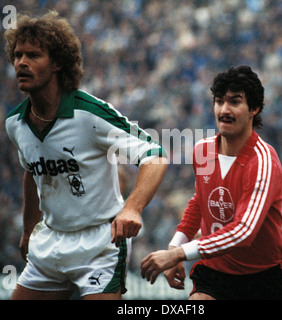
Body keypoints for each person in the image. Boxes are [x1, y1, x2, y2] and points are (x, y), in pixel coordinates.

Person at [4, 11, 168, 300]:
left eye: (33, 55)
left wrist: (132, 208)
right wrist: (29, 230)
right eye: (18, 55)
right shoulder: (15, 123)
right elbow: (31, 171)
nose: (21, 63)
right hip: (50, 242)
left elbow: (155, 155)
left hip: (100, 245)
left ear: (56, 63)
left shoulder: (90, 114)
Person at [141, 66, 282, 300]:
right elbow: (199, 202)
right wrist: (175, 246)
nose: (224, 110)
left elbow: (243, 232)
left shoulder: (264, 160)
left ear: (254, 109)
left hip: (264, 278)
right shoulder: (202, 150)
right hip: (215, 274)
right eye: (219, 101)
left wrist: (179, 255)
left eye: (235, 102)